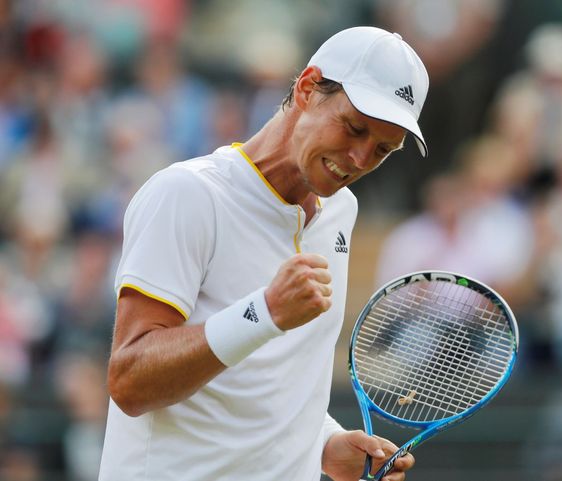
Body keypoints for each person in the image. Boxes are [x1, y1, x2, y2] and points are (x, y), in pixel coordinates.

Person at [98, 26, 429, 481]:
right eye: (354, 128)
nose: (359, 158)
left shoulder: (340, 211)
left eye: (382, 150)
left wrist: (324, 445)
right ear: (308, 88)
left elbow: (269, 382)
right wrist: (266, 311)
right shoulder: (187, 195)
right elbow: (130, 382)